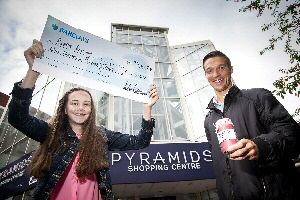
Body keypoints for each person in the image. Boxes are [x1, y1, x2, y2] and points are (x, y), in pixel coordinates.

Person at [8, 39, 159, 200]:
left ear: (91, 110)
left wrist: (147, 108)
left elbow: (140, 142)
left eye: (86, 104)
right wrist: (33, 72)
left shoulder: (101, 136)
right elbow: (18, 118)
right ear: (65, 109)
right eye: (75, 103)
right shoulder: (51, 133)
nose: (80, 108)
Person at [203, 50, 300, 200]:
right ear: (206, 75)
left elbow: (292, 134)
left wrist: (261, 146)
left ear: (231, 69)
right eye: (209, 70)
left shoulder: (258, 97)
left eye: (221, 67)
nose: (216, 74)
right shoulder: (209, 120)